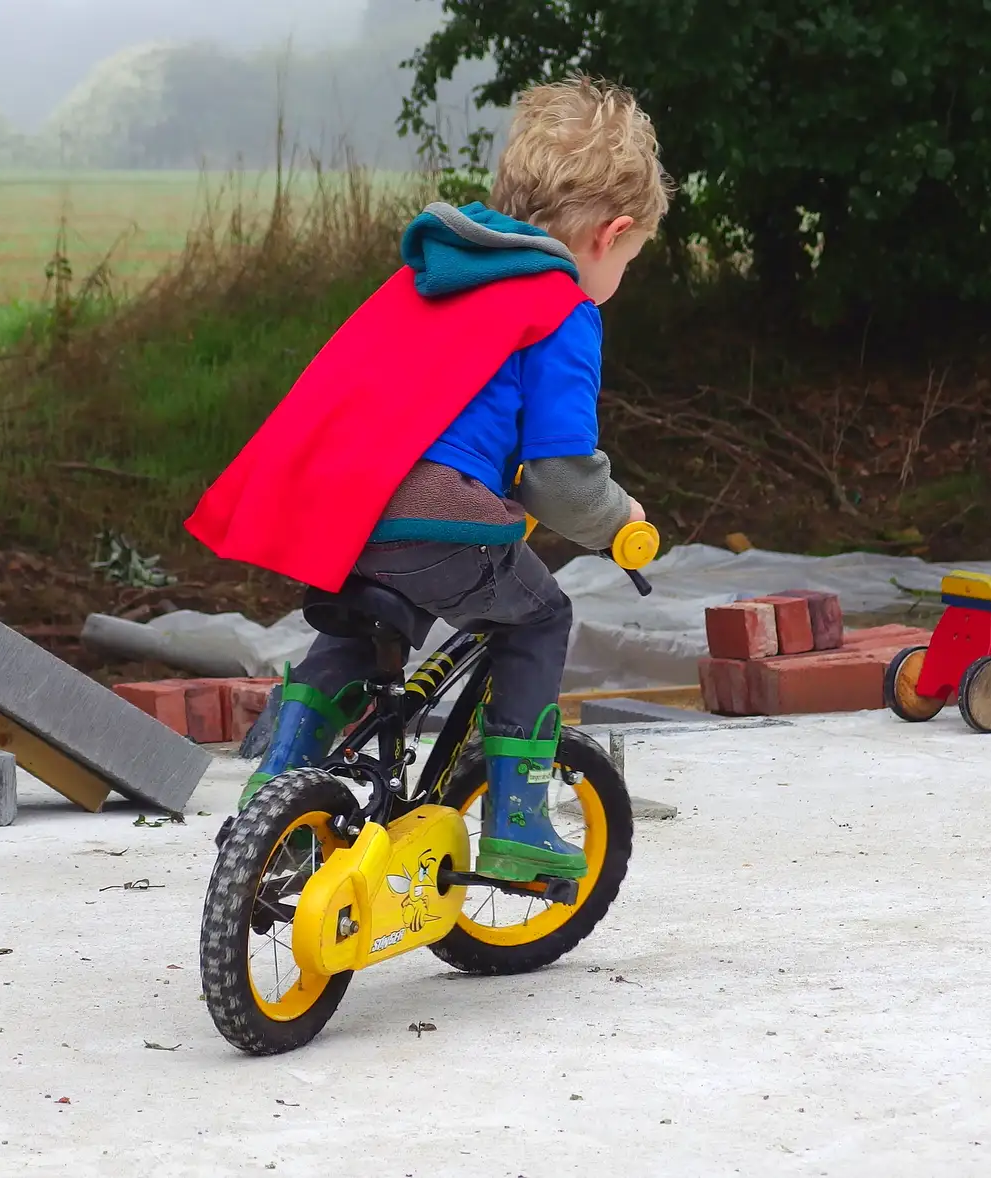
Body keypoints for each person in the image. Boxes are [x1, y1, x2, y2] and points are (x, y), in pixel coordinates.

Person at [187, 76, 672, 883]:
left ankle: (278, 790)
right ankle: (517, 819)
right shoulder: (560, 305)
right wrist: (619, 518)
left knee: (360, 632)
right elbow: (560, 481)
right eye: (629, 258)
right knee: (541, 616)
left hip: (339, 505)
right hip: (428, 510)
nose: (618, 276)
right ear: (610, 234)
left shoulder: (440, 272)